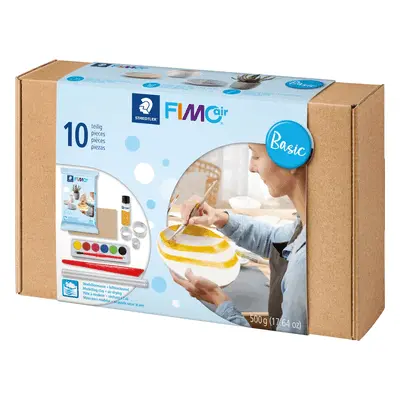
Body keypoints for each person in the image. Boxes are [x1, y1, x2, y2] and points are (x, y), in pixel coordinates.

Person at [170, 143, 307, 334]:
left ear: (292, 159)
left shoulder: (303, 267)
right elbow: (273, 241)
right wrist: (219, 218)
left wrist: (219, 300)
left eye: (256, 156)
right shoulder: (306, 223)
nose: (251, 167)